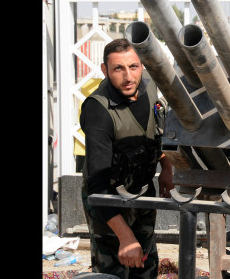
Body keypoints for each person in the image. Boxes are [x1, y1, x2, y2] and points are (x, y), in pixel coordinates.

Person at [80, 38, 175, 279]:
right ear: (105, 70)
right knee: (113, 272)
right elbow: (97, 186)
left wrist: (166, 164)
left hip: (143, 194)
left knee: (145, 265)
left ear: (142, 65)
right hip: (108, 201)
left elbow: (156, 132)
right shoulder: (98, 110)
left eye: (133, 66)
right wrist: (125, 236)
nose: (128, 77)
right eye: (118, 69)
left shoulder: (150, 87)